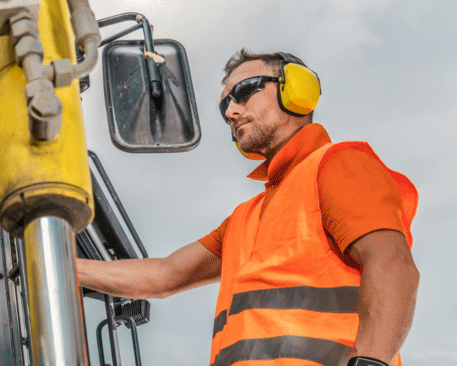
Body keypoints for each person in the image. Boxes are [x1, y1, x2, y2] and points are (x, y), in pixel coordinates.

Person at [76, 49, 419, 366]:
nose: (230, 111)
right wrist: (56, 265)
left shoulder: (336, 164)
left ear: (297, 90)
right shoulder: (246, 218)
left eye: (244, 91)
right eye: (224, 104)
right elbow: (164, 276)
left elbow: (392, 263)